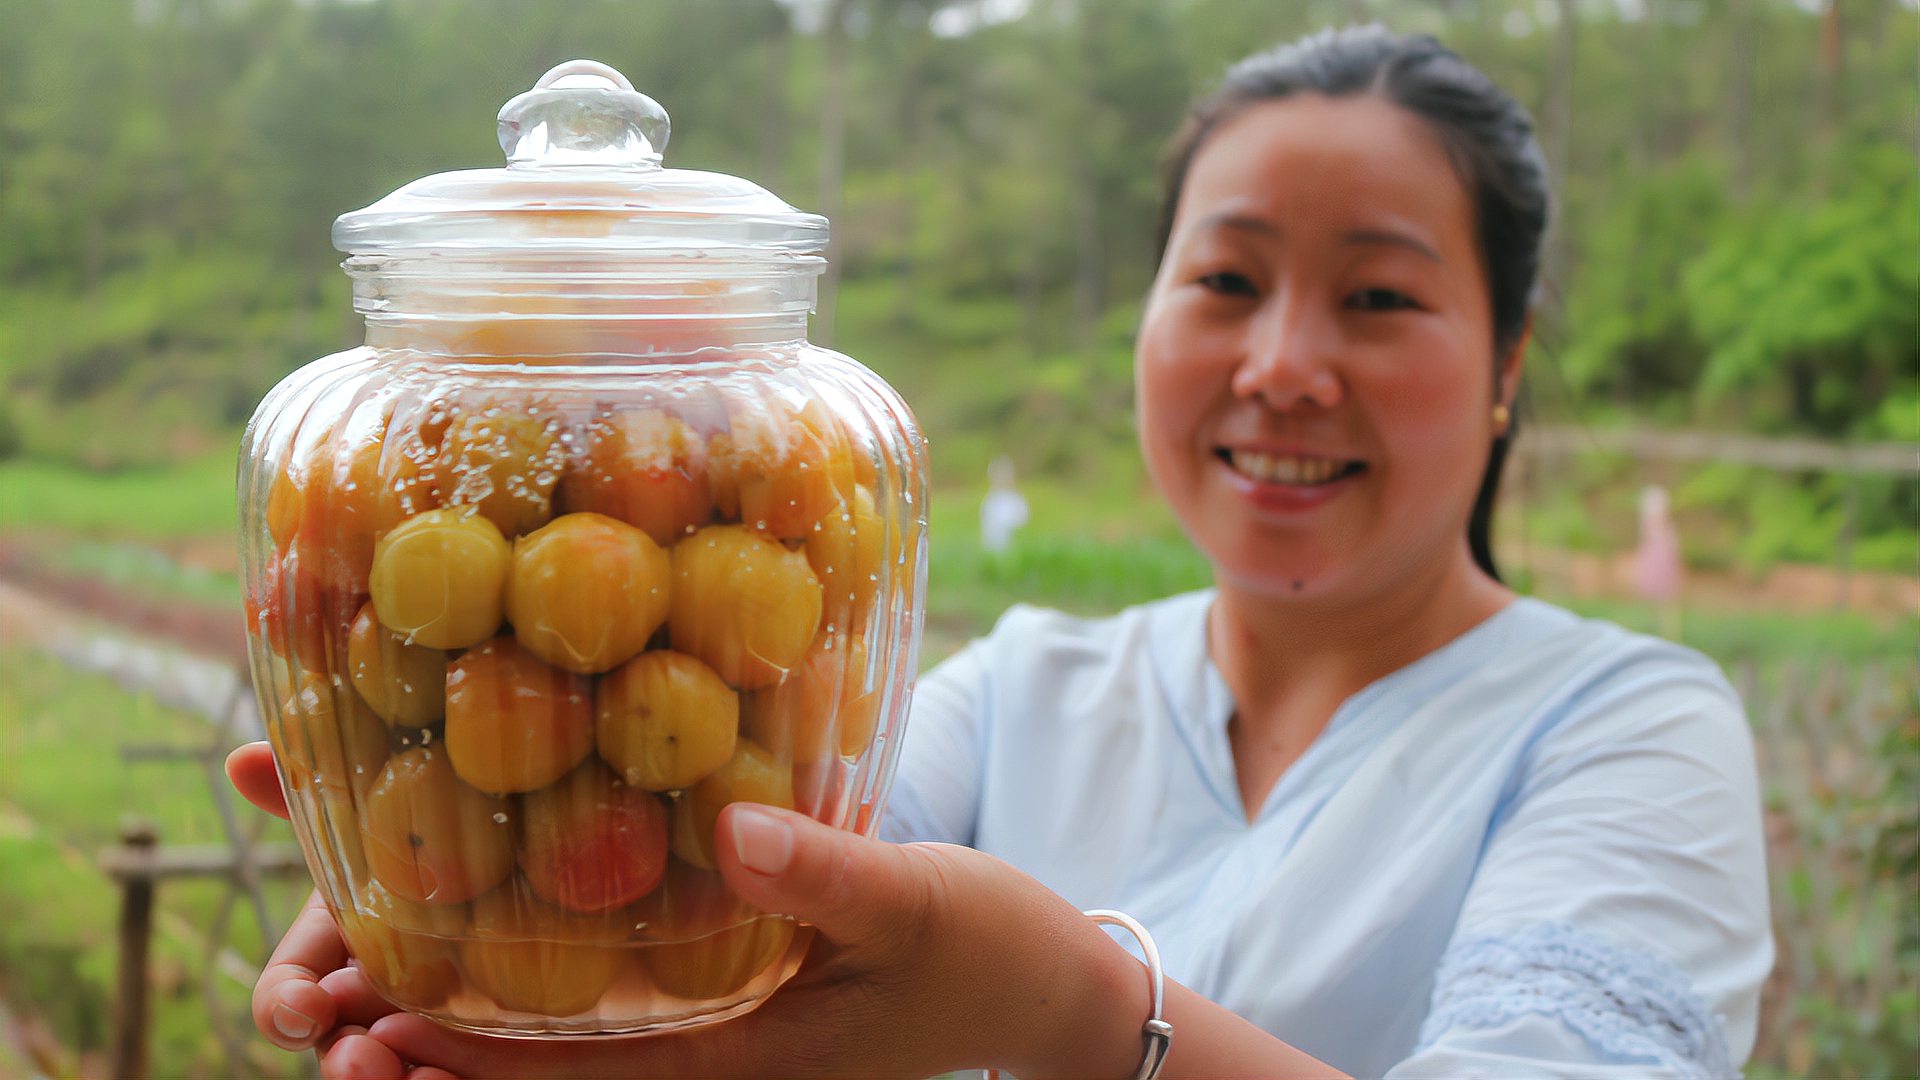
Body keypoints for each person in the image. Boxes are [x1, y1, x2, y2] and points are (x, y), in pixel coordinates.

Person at [225, 25, 1770, 1079]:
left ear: (1509, 360)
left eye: (1380, 297)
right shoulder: (1026, 684)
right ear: (1149, 315)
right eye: (1226, 278)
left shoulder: (1630, 728)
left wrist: (1079, 1014)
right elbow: (710, 888)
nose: (1284, 364)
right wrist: (481, 916)